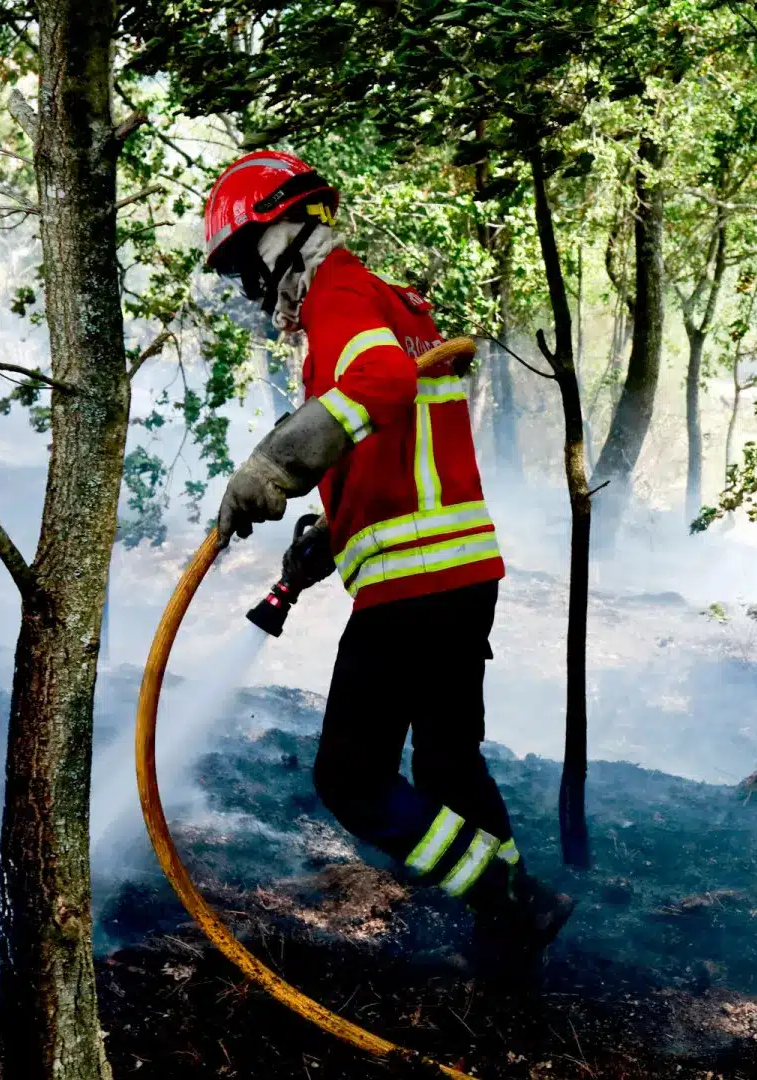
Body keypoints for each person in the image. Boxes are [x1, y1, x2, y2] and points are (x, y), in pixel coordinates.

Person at [205, 150, 573, 972]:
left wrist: (275, 465)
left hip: (411, 590)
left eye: (240, 263)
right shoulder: (387, 304)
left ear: (281, 234)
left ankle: (506, 899)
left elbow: (377, 386)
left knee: (351, 779)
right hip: (461, 574)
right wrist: (327, 535)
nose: (244, 287)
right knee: (447, 761)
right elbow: (393, 447)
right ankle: (511, 950)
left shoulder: (339, 296)